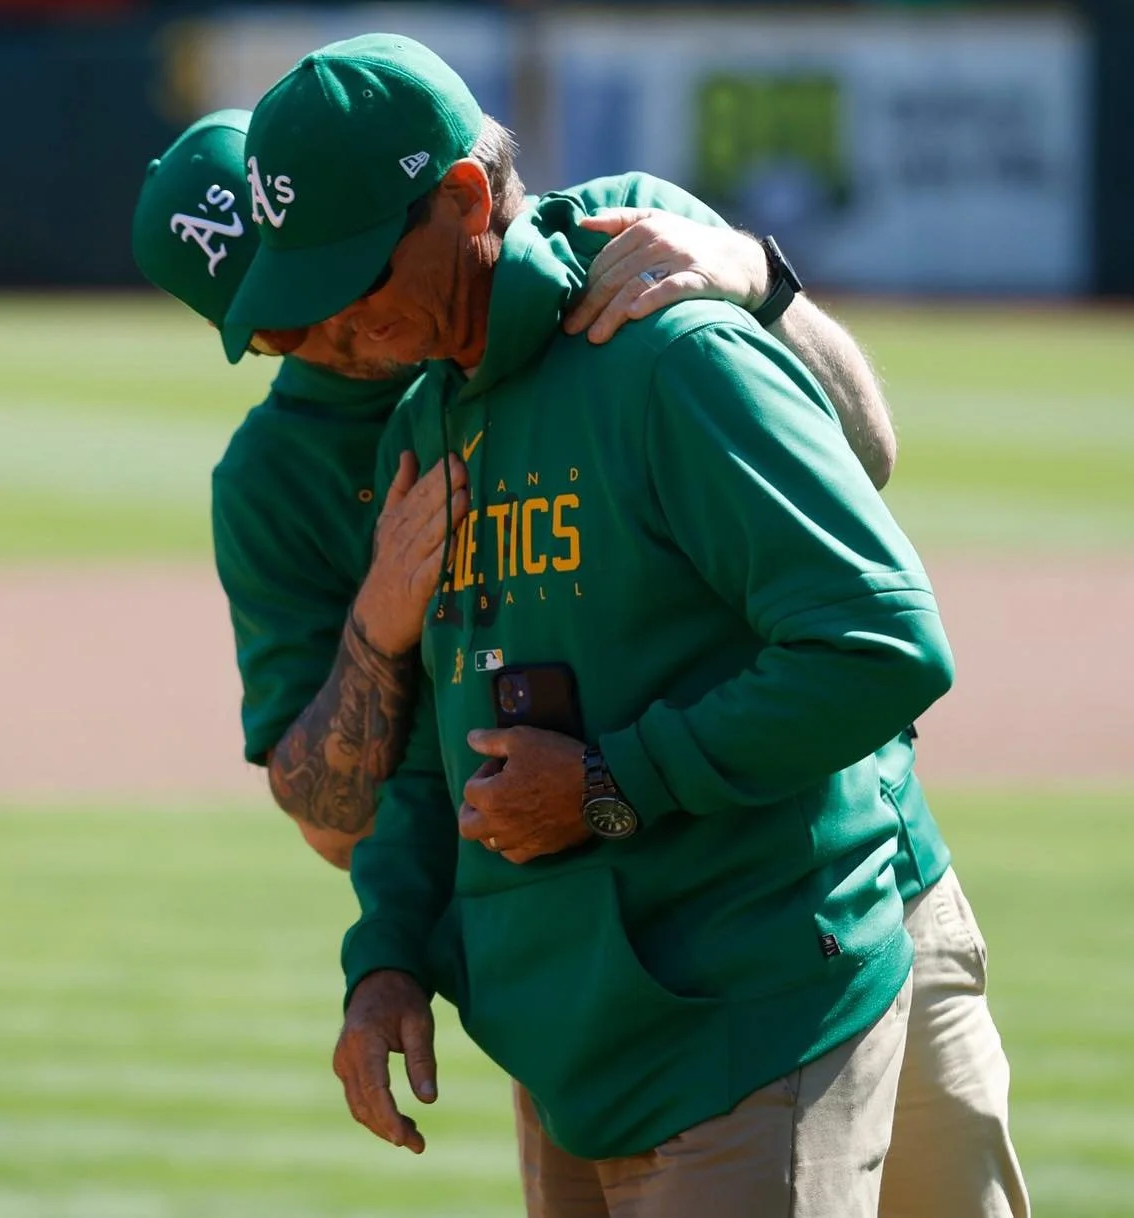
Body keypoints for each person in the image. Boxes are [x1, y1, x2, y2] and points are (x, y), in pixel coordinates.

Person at [133, 108, 1026, 1216]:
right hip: (586, 974)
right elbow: (353, 807)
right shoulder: (310, 465)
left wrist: (761, 282)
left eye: (327, 277)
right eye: (275, 326)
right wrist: (380, 632)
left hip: (842, 887)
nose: (324, 326)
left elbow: (867, 506)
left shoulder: (625, 256)